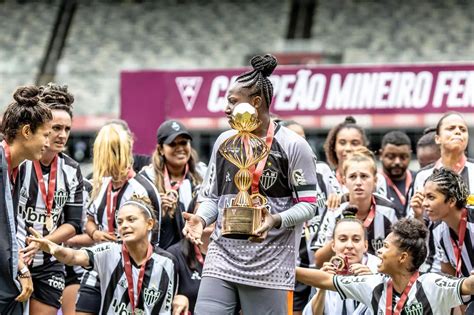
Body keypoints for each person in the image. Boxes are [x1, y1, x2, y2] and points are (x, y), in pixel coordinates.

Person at [183, 54, 318, 314]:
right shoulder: (224, 142)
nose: (226, 108)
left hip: (270, 261)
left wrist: (274, 220)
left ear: (255, 103)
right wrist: (200, 219)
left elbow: (309, 205)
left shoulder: (293, 145)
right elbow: (212, 197)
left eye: (233, 102)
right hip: (221, 256)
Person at [28, 194, 178, 314]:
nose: (124, 225)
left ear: (149, 224)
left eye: (131, 220)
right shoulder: (109, 251)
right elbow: (74, 256)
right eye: (120, 222)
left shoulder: (167, 262)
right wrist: (55, 248)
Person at [297, 218, 474, 315]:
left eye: (386, 247)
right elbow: (326, 279)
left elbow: (468, 285)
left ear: (402, 257)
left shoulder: (432, 284)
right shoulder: (373, 284)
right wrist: (286, 270)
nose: (379, 251)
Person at [76, 123, 161, 315]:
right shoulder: (100, 184)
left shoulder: (143, 189)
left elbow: (154, 240)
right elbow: (90, 219)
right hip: (97, 267)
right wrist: (96, 233)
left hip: (131, 273)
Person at [15, 83, 83, 315]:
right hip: (14, 256)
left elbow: (74, 223)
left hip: (49, 264)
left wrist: (43, 242)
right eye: (56, 128)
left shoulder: (72, 170)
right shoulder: (20, 163)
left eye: (67, 128)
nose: (62, 135)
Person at [277, 119, 342, 314]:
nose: (299, 144)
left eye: (303, 139)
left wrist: (338, 197)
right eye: (293, 139)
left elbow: (340, 200)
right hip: (294, 267)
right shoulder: (276, 175)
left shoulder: (321, 170)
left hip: (325, 263)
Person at [0, 85, 52, 314]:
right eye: (46, 135)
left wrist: (20, 267)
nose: (48, 143)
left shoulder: (17, 170)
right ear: (27, 131)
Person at [408, 111, 473, 272]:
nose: (458, 132)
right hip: (434, 266)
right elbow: (416, 229)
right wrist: (417, 215)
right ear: (437, 138)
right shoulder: (422, 176)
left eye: (462, 129)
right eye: (451, 128)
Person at [312, 148, 398, 267]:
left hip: (378, 278)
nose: (358, 182)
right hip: (341, 277)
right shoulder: (334, 208)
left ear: (375, 180)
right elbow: (318, 261)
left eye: (364, 176)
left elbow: (399, 256)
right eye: (352, 176)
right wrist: (340, 238)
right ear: (343, 180)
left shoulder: (389, 211)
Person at [302, 207, 379, 315]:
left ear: (365, 245)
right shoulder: (326, 271)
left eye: (356, 240)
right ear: (333, 245)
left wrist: (373, 282)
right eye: (343, 239)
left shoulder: (379, 269)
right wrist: (323, 287)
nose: (349, 245)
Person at [141, 119, 205, 249]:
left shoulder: (203, 174)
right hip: (161, 253)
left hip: (196, 251)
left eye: (184, 142)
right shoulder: (147, 179)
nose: (180, 148)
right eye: (172, 144)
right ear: (160, 149)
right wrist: (156, 210)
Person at [167, 218, 215, 314]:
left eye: (212, 214)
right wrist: (174, 299)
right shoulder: (174, 254)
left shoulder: (230, 254)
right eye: (200, 212)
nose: (207, 218)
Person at [377, 131, 414, 218]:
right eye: (391, 157)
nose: (397, 162)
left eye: (403, 157)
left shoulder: (419, 180)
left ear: (410, 155)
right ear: (381, 155)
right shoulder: (373, 182)